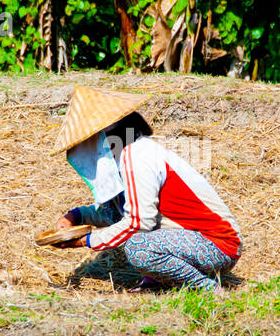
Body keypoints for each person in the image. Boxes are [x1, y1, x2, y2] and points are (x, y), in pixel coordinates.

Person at [51, 86, 241, 292]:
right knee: (132, 234)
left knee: (139, 248)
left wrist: (85, 241)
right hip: (193, 239)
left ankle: (207, 289)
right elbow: (117, 214)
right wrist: (76, 216)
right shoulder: (126, 156)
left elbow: (137, 223)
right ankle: (157, 282)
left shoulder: (137, 156)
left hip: (217, 245)